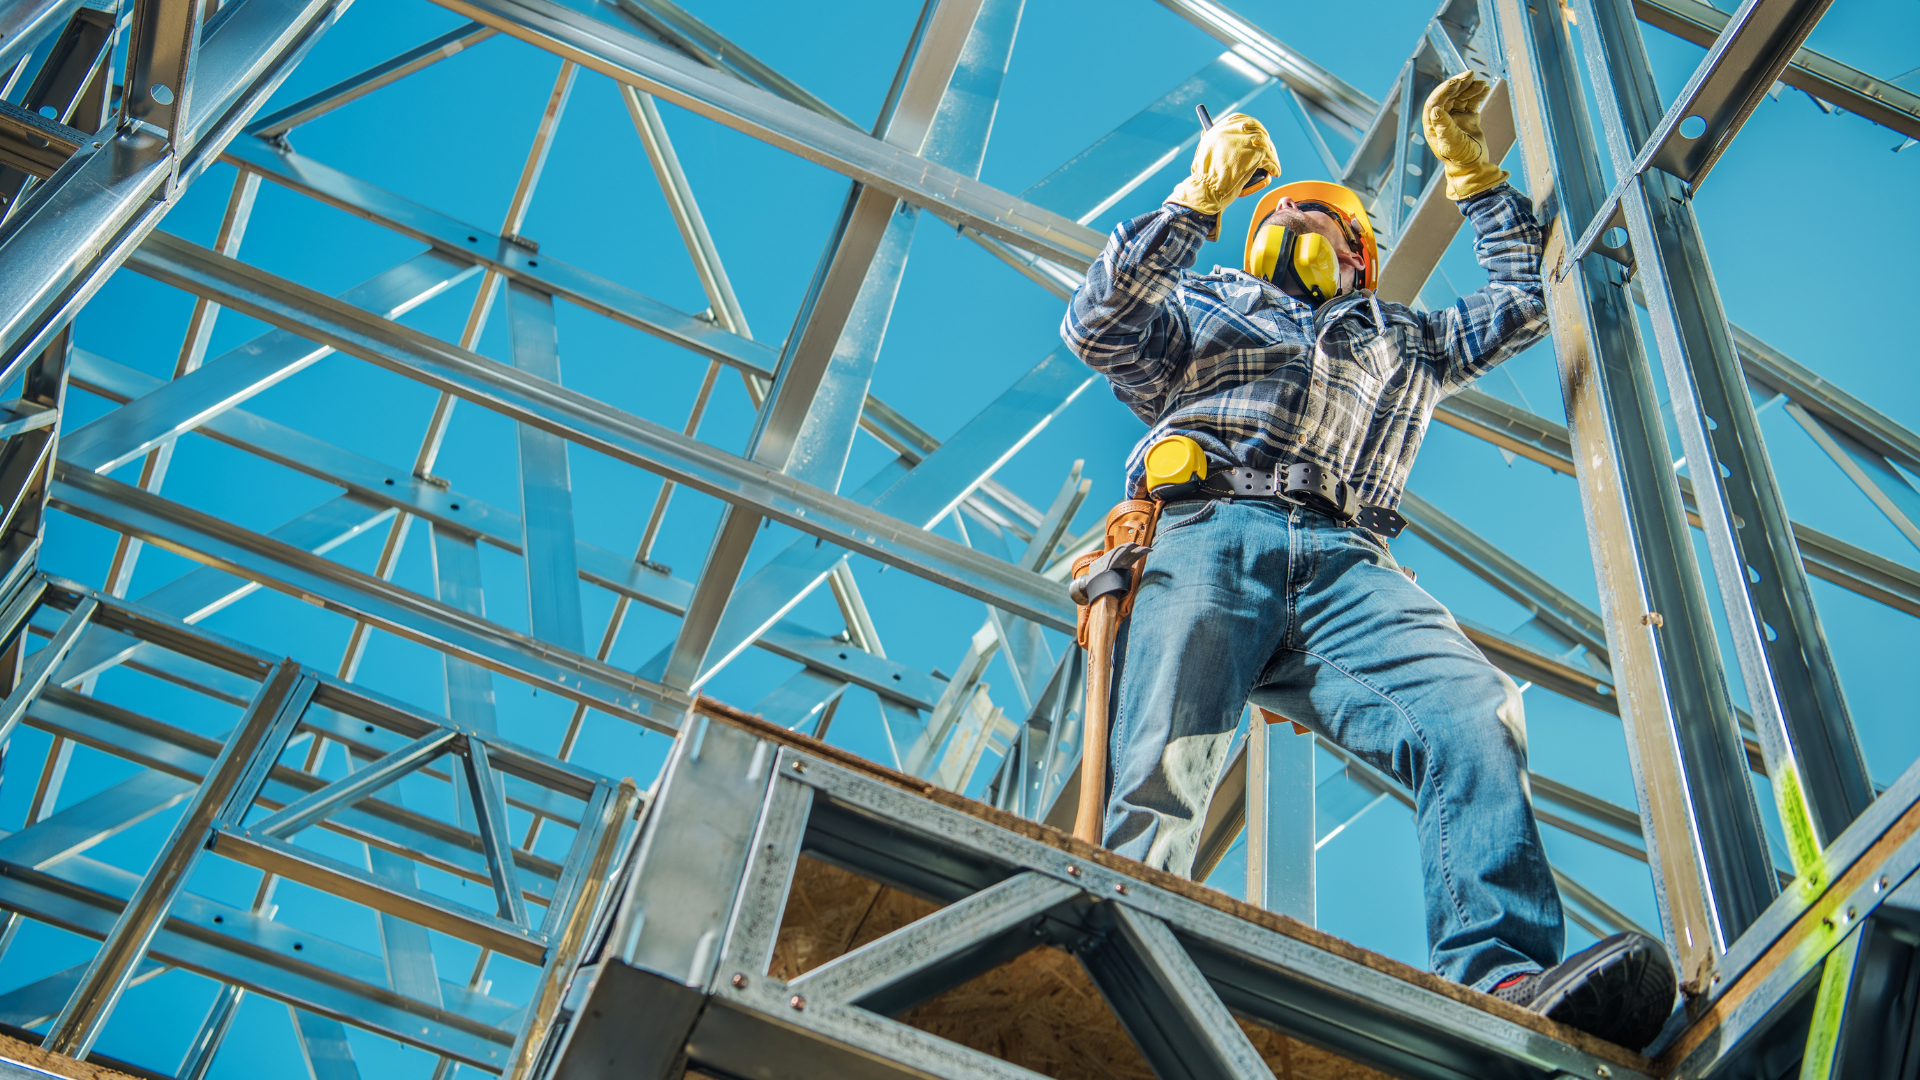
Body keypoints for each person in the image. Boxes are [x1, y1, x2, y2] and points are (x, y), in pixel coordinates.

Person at [1060, 71, 1676, 1051]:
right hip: (1207, 531)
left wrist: (1475, 174)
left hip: (1348, 563)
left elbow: (1523, 298)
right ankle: (1113, 948)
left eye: (1320, 212)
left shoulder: (1404, 340)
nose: (1294, 215)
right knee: (1169, 761)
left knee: (1472, 714)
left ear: (1362, 257)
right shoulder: (1207, 306)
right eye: (1277, 209)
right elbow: (1099, 322)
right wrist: (1195, 201)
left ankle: (1500, 972)